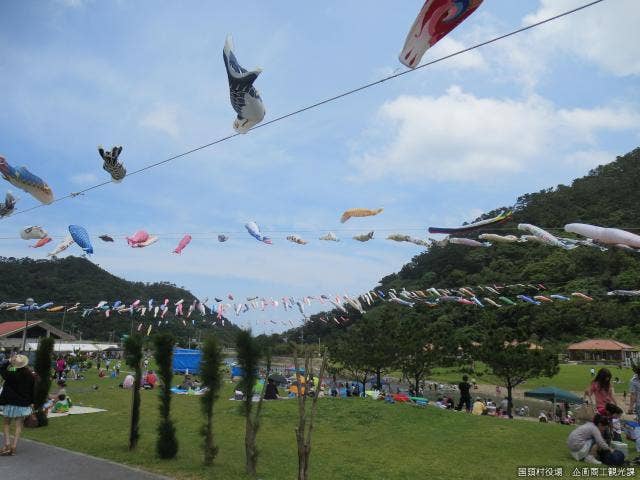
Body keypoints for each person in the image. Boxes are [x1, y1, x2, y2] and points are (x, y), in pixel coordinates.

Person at [0, 354, 36, 456]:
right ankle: (14, 447)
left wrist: (8, 361)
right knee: (18, 425)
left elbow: (2, 369)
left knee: (6, 423)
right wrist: (32, 402)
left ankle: (7, 444)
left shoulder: (11, 372)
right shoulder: (30, 375)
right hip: (23, 403)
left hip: (9, 402)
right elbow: (32, 390)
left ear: (15, 364)